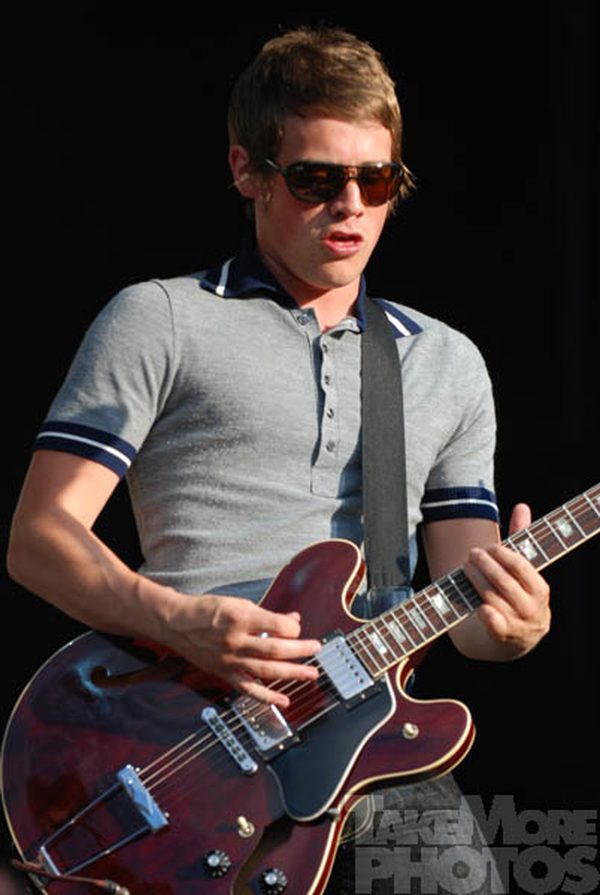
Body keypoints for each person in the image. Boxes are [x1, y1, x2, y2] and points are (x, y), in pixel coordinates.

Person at [6, 25, 550, 895]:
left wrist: (513, 625)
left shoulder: (448, 362)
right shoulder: (161, 319)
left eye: (377, 180)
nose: (351, 206)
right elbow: (39, 537)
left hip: (373, 750)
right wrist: (177, 620)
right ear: (247, 170)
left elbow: (470, 609)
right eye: (315, 179)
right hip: (183, 738)